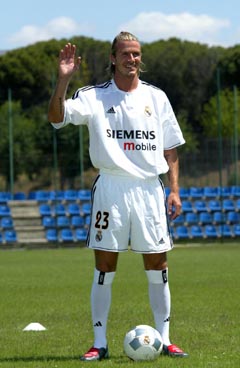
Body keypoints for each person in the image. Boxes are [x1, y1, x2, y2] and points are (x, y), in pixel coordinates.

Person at [48, 31, 188, 360]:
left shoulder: (157, 98)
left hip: (149, 189)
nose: (132, 59)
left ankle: (165, 340)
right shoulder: (94, 96)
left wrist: (175, 190)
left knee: (158, 263)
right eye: (125, 54)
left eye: (136, 54)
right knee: (105, 265)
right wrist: (62, 81)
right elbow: (56, 119)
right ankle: (99, 343)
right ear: (113, 58)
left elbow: (171, 150)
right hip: (110, 188)